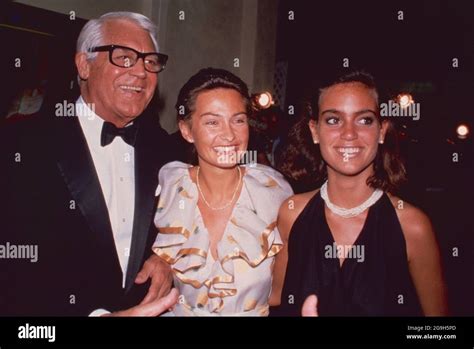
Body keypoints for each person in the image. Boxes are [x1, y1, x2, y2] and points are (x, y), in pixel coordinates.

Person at [0, 12, 178, 316]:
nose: (140, 72)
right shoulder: (19, 145)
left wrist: (169, 259)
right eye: (123, 57)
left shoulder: (168, 151)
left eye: (150, 61)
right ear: (84, 65)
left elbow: (186, 231)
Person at [271, 71, 448, 316]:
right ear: (314, 130)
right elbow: (272, 301)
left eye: (364, 120)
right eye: (333, 120)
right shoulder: (292, 213)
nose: (349, 133)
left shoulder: (411, 225)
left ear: (382, 130)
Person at [152, 68, 293, 316]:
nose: (229, 135)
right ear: (186, 130)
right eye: (212, 122)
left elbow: (281, 293)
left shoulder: (273, 194)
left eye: (238, 120)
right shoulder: (171, 188)